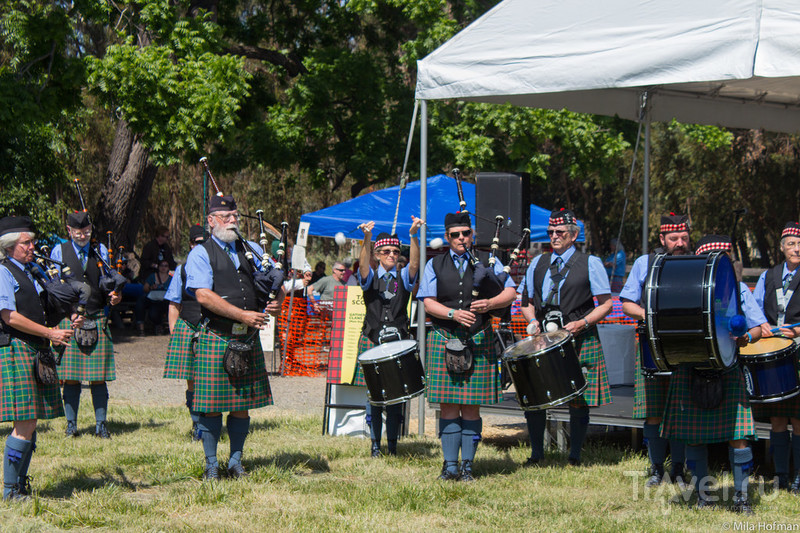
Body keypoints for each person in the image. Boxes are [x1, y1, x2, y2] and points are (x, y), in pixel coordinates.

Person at [185, 194, 284, 480]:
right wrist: (241, 315)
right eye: (226, 217)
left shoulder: (251, 249)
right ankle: (212, 464)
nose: (232, 222)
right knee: (212, 406)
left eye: (236, 217)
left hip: (247, 338)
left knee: (241, 404)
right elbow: (203, 295)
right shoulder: (201, 253)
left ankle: (235, 461)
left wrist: (276, 300)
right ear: (211, 221)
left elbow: (276, 279)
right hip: (217, 335)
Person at [660, 234, 762, 512]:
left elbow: (758, 327)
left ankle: (741, 499)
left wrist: (746, 339)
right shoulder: (684, 289)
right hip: (692, 365)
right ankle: (703, 496)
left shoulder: (739, 290)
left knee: (738, 435)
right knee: (694, 436)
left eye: (723, 258)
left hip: (727, 367)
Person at [417, 211, 517, 481]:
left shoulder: (488, 261)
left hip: (479, 337)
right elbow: (428, 301)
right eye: (455, 235)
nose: (462, 238)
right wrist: (453, 314)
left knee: (472, 406)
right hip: (444, 337)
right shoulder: (434, 265)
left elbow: (510, 292)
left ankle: (467, 467)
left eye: (466, 233)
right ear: (447, 238)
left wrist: (490, 304)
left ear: (472, 235)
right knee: (449, 405)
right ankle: (450, 466)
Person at [519, 208, 613, 467]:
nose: (554, 236)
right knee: (536, 395)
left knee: (578, 397)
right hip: (542, 339)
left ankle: (575, 456)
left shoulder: (590, 263)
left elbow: (606, 304)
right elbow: (525, 301)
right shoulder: (537, 263)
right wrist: (532, 320)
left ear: (574, 235)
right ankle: (537, 454)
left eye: (559, 232)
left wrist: (582, 323)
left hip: (579, 336)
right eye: (550, 232)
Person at [0, 216, 81, 500]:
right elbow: (9, 316)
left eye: (32, 241)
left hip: (34, 348)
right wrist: (49, 332)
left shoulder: (31, 270)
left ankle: (20, 484)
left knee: (31, 423)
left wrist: (71, 312)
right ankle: (10, 490)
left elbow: (41, 307)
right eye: (27, 242)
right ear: (10, 246)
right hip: (16, 349)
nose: (33, 246)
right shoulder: (3, 273)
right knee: (24, 422)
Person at [620, 213, 690, 486]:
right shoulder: (644, 262)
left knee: (683, 409)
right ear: (662, 238)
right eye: (674, 238)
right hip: (652, 345)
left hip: (686, 345)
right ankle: (656, 468)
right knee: (654, 410)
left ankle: (680, 470)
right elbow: (626, 303)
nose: (680, 243)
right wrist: (651, 316)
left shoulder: (696, 262)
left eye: (684, 238)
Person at [352, 217, 421, 457]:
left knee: (397, 396)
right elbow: (362, 268)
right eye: (387, 251)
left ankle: (392, 445)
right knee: (375, 397)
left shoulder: (402, 277)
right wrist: (367, 240)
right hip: (372, 340)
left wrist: (413, 236)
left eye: (395, 251)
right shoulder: (370, 276)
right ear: (378, 254)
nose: (392, 255)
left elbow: (414, 265)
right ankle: (375, 445)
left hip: (399, 343)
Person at [51, 211, 121, 439]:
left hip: (97, 315)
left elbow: (105, 283)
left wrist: (114, 296)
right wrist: (69, 314)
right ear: (69, 230)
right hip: (71, 318)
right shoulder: (58, 251)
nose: (83, 235)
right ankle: (71, 425)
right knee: (71, 377)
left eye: (87, 231)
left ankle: (101, 424)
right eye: (79, 232)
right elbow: (54, 289)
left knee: (98, 376)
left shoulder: (99, 250)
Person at [752, 221, 800, 492]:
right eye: (791, 243)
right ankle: (781, 475)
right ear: (781, 247)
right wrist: (762, 325)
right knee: (779, 418)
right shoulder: (768, 276)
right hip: (774, 353)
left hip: (799, 349)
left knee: (799, 419)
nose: (796, 248)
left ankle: (799, 477)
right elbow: (756, 310)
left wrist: (797, 330)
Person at [163, 224, 206, 441]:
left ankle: (208, 425)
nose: (200, 246)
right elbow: (174, 304)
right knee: (192, 381)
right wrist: (175, 334)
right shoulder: (181, 270)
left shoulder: (214, 267)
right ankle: (197, 425)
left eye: (203, 243)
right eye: (197, 243)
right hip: (187, 329)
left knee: (211, 379)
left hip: (210, 330)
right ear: (191, 244)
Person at [135, 259, 172, 335]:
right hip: (152, 297)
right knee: (140, 301)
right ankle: (140, 326)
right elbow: (145, 288)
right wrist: (151, 287)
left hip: (164, 300)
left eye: (166, 266)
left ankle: (159, 326)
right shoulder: (152, 276)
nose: (163, 268)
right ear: (158, 267)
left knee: (153, 312)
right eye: (162, 265)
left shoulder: (171, 279)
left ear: (168, 268)